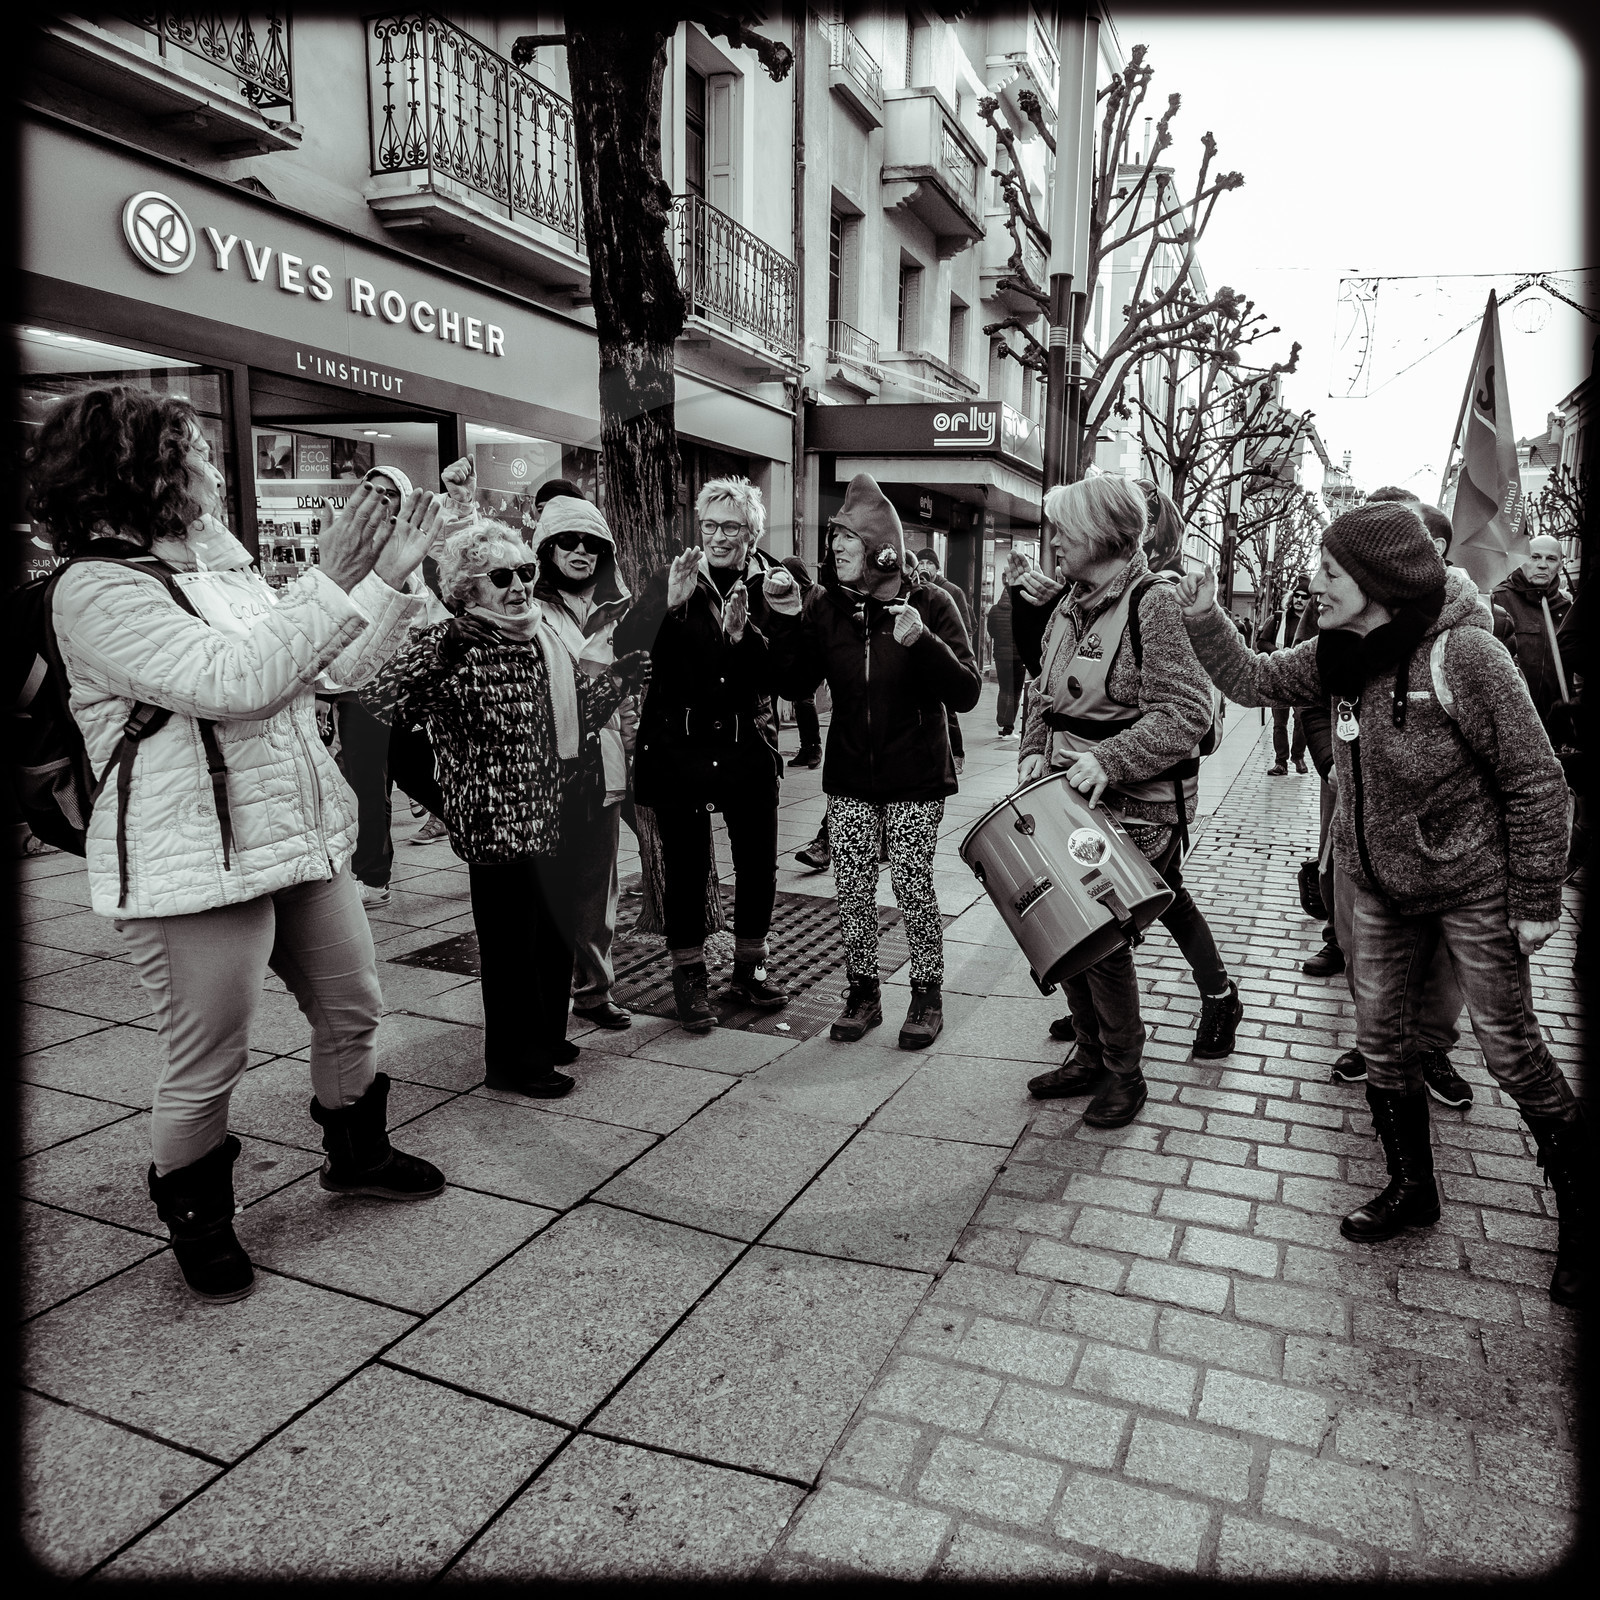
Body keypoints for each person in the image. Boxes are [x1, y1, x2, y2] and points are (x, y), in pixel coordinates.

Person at [33, 385, 447, 1304]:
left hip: (294, 833)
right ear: (139, 469)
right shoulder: (94, 586)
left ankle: (357, 1150)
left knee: (354, 1009)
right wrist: (342, 577)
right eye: (196, 451)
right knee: (208, 1057)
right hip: (193, 860)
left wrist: (393, 580)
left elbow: (327, 670)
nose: (217, 467)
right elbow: (238, 681)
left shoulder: (221, 563)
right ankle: (198, 1218)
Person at [1177, 502, 1587, 1306]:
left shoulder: (1465, 654)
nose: (1314, 582)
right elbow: (1255, 680)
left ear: (1377, 581)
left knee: (1509, 1049)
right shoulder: (1340, 651)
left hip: (1473, 885)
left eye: (1329, 573)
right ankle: (1412, 1188)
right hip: (1379, 882)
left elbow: (1538, 779)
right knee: (1384, 1042)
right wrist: (1203, 615)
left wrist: (1537, 895)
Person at [361, 521, 648, 1094]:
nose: (518, 585)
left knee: (551, 938)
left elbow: (573, 723)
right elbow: (375, 704)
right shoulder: (453, 642)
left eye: (524, 572)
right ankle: (512, 1062)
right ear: (469, 588)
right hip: (496, 824)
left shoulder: (540, 637)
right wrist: (441, 792)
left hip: (557, 813)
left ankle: (543, 1035)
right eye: (501, 576)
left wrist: (615, 682)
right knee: (511, 947)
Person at [1018, 476, 1238, 1127]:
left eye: (1063, 528)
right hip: (1068, 796)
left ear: (1100, 535)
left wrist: (1107, 760)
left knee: (1102, 936)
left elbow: (1188, 713)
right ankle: (1090, 1054)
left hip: (1140, 805)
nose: (1054, 540)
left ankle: (1124, 1072)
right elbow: (1044, 689)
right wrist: (1036, 747)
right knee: (1070, 925)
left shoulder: (1157, 604)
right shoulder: (1070, 602)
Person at [764, 473, 980, 1048]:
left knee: (911, 880)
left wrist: (922, 643)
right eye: (834, 540)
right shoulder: (826, 609)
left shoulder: (933, 602)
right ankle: (863, 994)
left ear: (881, 549)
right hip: (852, 774)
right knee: (854, 885)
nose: (836, 549)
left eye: (848, 540)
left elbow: (965, 693)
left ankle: (927, 996)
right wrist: (785, 619)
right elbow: (794, 683)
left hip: (916, 772)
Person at [612, 477, 788, 1029]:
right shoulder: (674, 576)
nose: (717, 536)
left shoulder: (774, 583)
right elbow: (625, 647)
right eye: (709, 525)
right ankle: (689, 979)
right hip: (679, 747)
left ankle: (750, 970)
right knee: (686, 868)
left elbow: (788, 671)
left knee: (757, 864)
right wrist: (666, 606)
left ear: (751, 533)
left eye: (730, 527)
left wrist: (744, 638)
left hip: (744, 745)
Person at [531, 494, 638, 1032]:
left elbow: (629, 698)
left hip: (606, 771)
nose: (580, 552)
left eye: (592, 544)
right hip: (547, 776)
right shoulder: (524, 607)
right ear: (546, 548)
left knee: (598, 888)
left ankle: (594, 992)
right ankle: (548, 1000)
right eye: (568, 542)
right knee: (550, 893)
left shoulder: (616, 610)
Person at [335, 464, 458, 899]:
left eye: (389, 491)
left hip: (397, 688)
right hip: (352, 689)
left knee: (415, 776)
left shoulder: (408, 549)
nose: (378, 497)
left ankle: (474, 831)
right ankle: (371, 874)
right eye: (369, 488)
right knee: (367, 784)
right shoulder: (342, 546)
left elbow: (428, 611)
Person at [1493, 533, 1574, 735]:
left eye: (1551, 559)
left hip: (1556, 725)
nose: (1542, 565)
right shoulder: (1498, 600)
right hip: (1511, 722)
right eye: (1534, 557)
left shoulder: (1566, 607)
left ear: (1560, 564)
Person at [913, 547, 972, 777]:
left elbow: (967, 626)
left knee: (951, 711)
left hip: (947, 656)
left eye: (930, 562)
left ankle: (957, 754)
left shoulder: (951, 592)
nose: (925, 566)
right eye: (922, 562)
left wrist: (951, 647)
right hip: (923, 656)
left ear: (938, 568)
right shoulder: (914, 590)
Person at [780, 554, 824, 770]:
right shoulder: (790, 594)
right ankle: (806, 747)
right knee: (799, 700)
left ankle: (814, 746)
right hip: (795, 658)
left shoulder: (817, 594)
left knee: (805, 700)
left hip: (813, 658)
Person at [1266, 577, 1312, 775]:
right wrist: (1280, 653)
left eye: (1304, 597)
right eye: (1296, 596)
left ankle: (1298, 757)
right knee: (1279, 722)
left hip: (1303, 679)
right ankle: (1280, 762)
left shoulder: (1315, 623)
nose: (1299, 600)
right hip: (1280, 676)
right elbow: (1262, 642)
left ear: (1311, 600)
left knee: (1302, 720)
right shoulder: (1279, 619)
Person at [988, 584, 1024, 738]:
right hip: (1018, 657)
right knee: (1015, 692)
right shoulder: (1022, 610)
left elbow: (991, 631)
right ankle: (1009, 729)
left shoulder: (994, 610)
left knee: (1003, 689)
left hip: (1001, 657)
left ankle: (1001, 722)